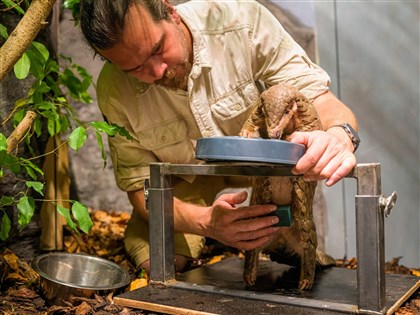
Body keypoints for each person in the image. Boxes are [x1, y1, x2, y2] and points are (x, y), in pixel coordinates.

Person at [79, 0, 358, 273]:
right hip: (185, 181)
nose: (156, 71)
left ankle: (276, 234)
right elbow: (140, 190)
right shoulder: (113, 90)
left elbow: (320, 99)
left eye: (157, 49)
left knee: (289, 247)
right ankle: (216, 231)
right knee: (159, 263)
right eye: (135, 69)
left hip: (270, 171)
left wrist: (339, 136)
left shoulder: (242, 22)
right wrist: (206, 223)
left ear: (171, 12)